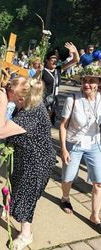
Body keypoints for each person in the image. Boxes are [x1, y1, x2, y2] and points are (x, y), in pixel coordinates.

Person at [0, 77, 56, 249]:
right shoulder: (27, 102)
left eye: (9, 89)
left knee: (25, 198)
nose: (6, 90)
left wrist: (3, 103)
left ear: (19, 97)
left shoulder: (31, 114)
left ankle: (26, 235)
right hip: (24, 157)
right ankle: (7, 209)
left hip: (36, 164)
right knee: (14, 188)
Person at [59, 65, 101, 231]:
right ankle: (65, 197)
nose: (87, 84)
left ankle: (95, 215)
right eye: (85, 81)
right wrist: (63, 149)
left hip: (94, 145)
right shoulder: (73, 99)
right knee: (68, 178)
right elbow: (62, 125)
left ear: (98, 83)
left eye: (91, 81)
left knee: (98, 182)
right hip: (74, 144)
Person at [42, 42, 79, 125]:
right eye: (52, 58)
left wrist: (75, 51)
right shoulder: (42, 72)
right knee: (42, 124)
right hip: (43, 101)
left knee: (49, 124)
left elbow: (76, 60)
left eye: (56, 58)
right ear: (47, 60)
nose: (55, 60)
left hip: (54, 101)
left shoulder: (58, 70)